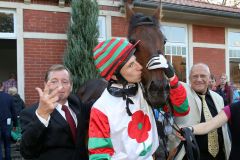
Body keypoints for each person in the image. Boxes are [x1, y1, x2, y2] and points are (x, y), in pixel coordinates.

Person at [88, 38, 189, 160]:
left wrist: (172, 77)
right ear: (115, 75)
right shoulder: (101, 108)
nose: (139, 67)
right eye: (131, 65)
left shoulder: (145, 90)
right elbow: (99, 155)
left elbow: (181, 110)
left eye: (135, 60)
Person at [20, 64, 90, 160]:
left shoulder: (76, 103)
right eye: (54, 81)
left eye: (65, 82)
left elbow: (94, 106)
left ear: (71, 86)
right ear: (45, 85)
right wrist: (42, 115)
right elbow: (26, 151)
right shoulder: (30, 113)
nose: (60, 87)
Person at [174, 63, 231, 160]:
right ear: (189, 79)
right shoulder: (183, 93)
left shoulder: (218, 98)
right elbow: (173, 84)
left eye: (203, 76)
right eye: (195, 76)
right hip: (191, 156)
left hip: (219, 156)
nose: (199, 79)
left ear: (209, 78)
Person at [0, 81, 17, 160]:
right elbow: (14, 112)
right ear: (2, 87)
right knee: (7, 145)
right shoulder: (9, 97)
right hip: (7, 124)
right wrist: (15, 125)